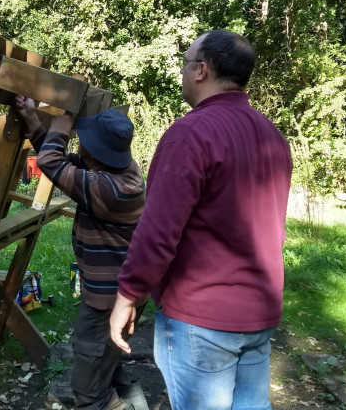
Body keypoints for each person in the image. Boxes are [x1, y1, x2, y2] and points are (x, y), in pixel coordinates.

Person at [109, 30, 293, 410]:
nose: (181, 70)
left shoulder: (190, 134)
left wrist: (128, 295)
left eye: (185, 62)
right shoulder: (272, 134)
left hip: (203, 319)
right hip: (259, 310)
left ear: (201, 71)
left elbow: (158, 232)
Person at [15, 96, 147, 410]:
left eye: (84, 141)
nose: (80, 145)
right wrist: (34, 121)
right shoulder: (120, 171)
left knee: (88, 390)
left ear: (96, 152)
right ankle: (126, 399)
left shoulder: (111, 189)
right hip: (121, 296)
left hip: (109, 303)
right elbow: (59, 164)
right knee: (106, 364)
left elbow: (52, 162)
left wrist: (64, 115)